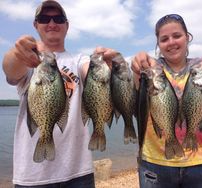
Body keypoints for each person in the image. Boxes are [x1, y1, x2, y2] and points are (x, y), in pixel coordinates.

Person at [2, 0, 118, 187]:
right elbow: (10, 70)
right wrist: (16, 53)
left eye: (58, 18)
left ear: (67, 25)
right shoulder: (30, 60)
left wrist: (104, 67)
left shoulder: (78, 60)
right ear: (35, 25)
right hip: (32, 175)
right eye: (44, 18)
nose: (52, 23)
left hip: (78, 171)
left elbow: (91, 73)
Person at [131, 14, 202, 188]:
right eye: (164, 39)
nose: (171, 42)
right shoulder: (152, 70)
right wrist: (138, 64)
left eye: (177, 36)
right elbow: (136, 82)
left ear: (187, 37)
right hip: (156, 162)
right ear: (158, 44)